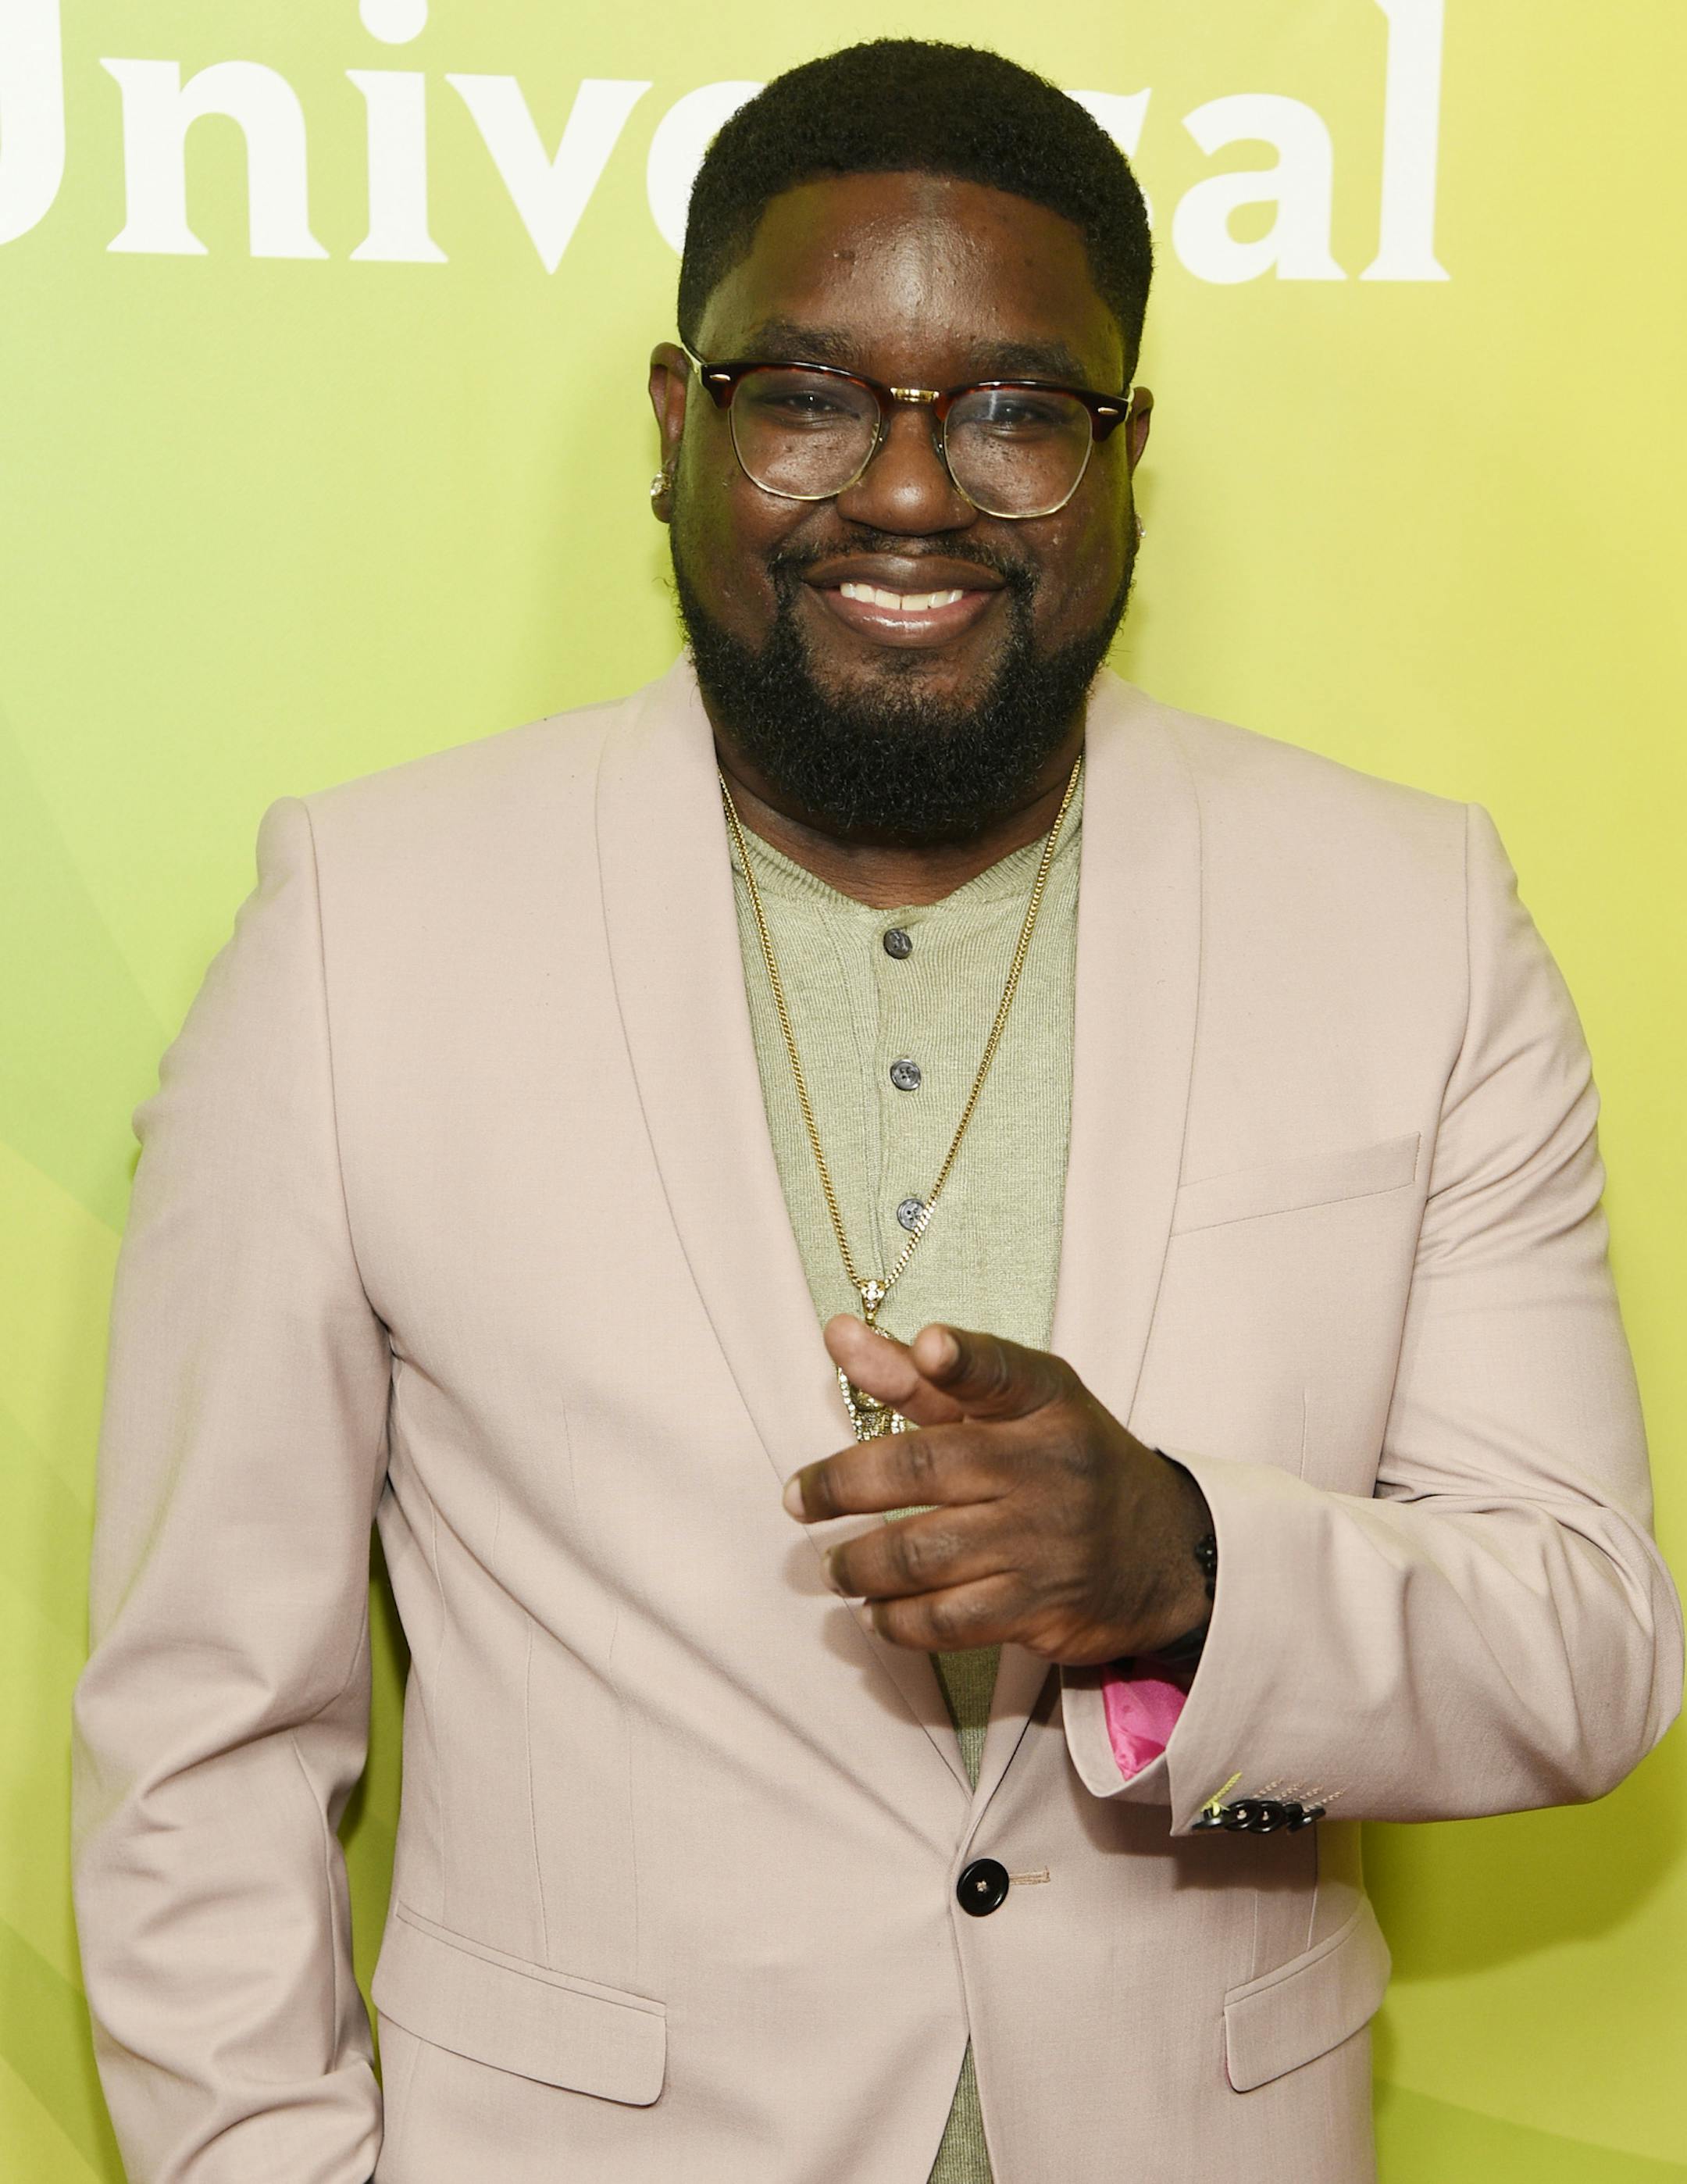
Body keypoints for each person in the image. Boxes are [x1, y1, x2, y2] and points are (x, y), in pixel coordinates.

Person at [71, 37, 1681, 2184]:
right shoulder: (362, 928)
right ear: (678, 425)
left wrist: (1190, 1564)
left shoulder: (1416, 918)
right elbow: (201, 1734)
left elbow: (1580, 1639)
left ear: (1127, 455)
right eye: (812, 396)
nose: (911, 493)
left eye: (1016, 410)